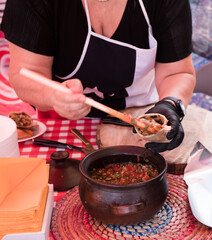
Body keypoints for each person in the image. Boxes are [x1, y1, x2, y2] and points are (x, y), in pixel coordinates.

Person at [1, 0, 196, 153]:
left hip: (143, 114)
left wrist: (171, 104)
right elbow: (25, 73)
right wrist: (54, 96)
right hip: (64, 123)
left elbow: (177, 71)